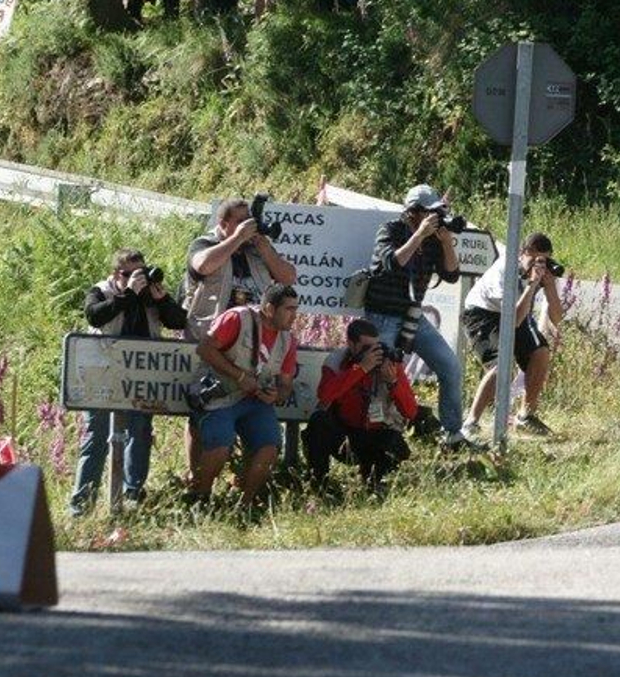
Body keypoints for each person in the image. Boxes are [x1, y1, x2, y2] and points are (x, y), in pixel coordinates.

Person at [181, 197, 298, 475]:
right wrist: (235, 239)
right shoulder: (205, 244)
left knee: (249, 407)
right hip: (211, 340)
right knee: (202, 410)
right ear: (223, 223)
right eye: (240, 221)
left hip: (251, 341)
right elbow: (203, 266)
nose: (248, 226)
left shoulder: (256, 250)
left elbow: (288, 277)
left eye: (250, 220)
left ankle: (241, 479)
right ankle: (195, 475)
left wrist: (263, 246)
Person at [362, 185, 481, 450]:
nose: (434, 217)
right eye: (430, 212)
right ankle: (379, 438)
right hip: (382, 315)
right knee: (381, 377)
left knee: (450, 366)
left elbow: (451, 274)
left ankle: (452, 435)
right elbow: (393, 263)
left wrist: (446, 240)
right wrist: (419, 234)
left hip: (413, 316)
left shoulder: (433, 240)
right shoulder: (390, 230)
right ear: (413, 212)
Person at [70, 250, 189, 515]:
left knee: (140, 434)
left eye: (141, 272)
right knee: (96, 436)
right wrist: (127, 295)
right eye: (129, 274)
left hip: (140, 377)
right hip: (102, 373)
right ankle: (81, 505)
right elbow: (94, 315)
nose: (137, 278)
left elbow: (179, 321)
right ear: (116, 275)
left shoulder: (151, 296)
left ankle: (132, 495)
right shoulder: (102, 290)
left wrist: (163, 300)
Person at [188, 284, 301, 509]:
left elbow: (286, 384)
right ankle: (200, 498)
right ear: (269, 308)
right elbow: (205, 349)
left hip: (255, 402)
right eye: (289, 309)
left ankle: (245, 504)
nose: (294, 315)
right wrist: (239, 376)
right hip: (220, 394)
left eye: (296, 309)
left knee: (269, 446)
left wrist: (276, 395)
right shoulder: (237, 318)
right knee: (221, 444)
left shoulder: (288, 340)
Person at [461, 232, 564, 440]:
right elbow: (513, 320)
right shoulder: (504, 271)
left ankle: (526, 416)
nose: (538, 265)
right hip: (483, 313)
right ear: (522, 254)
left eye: (544, 260)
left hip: (516, 310)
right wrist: (532, 285)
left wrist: (550, 285)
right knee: (501, 364)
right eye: (534, 259)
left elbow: (557, 318)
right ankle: (471, 422)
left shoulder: (542, 272)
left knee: (541, 352)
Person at [305, 319, 416, 489]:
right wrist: (360, 369)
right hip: (345, 434)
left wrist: (393, 382)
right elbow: (325, 396)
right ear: (351, 344)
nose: (373, 352)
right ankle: (319, 484)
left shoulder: (388, 361)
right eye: (366, 348)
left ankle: (374, 483)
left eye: (375, 346)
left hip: (376, 433)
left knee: (394, 444)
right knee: (318, 422)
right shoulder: (336, 361)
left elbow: (410, 412)